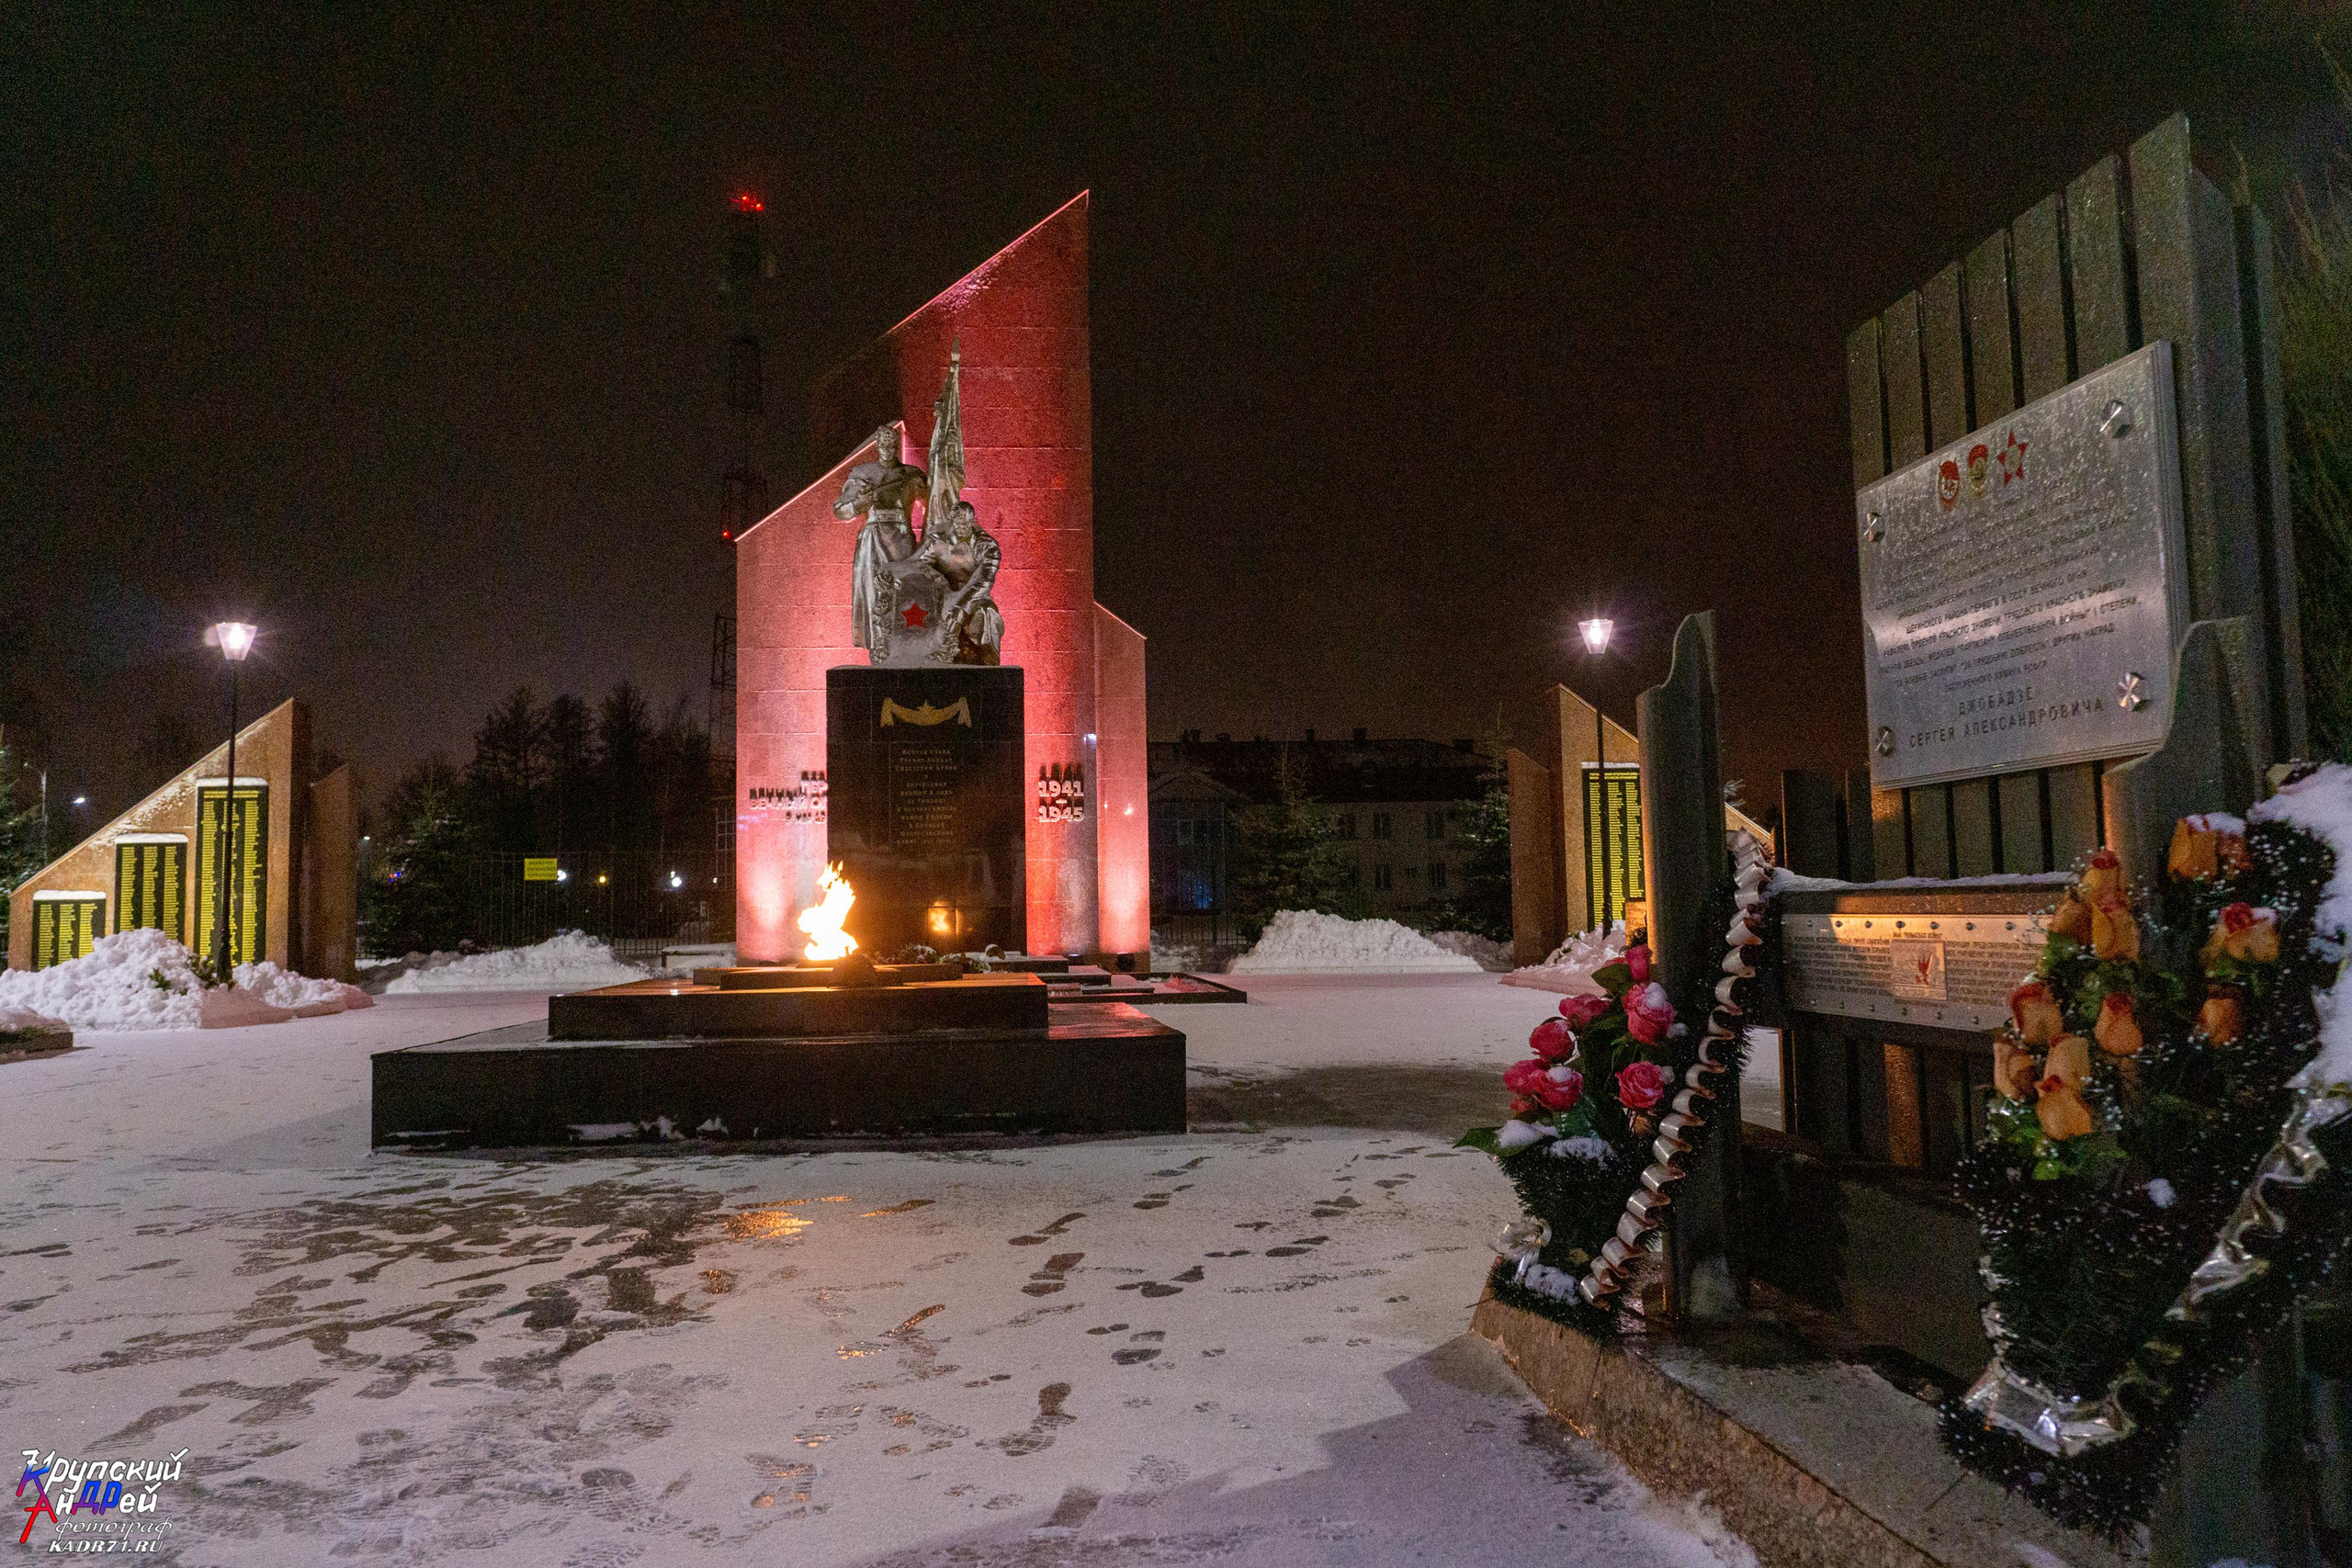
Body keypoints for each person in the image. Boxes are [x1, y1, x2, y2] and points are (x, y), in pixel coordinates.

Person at [831, 425, 928, 653]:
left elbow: (933, 504)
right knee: (874, 593)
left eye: (892, 445)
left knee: (904, 592)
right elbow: (840, 509)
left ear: (896, 447)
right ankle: (879, 647)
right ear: (877, 445)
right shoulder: (862, 474)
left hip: (901, 540)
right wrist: (859, 503)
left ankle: (905, 646)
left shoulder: (911, 474)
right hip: (873, 541)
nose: (887, 449)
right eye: (883, 445)